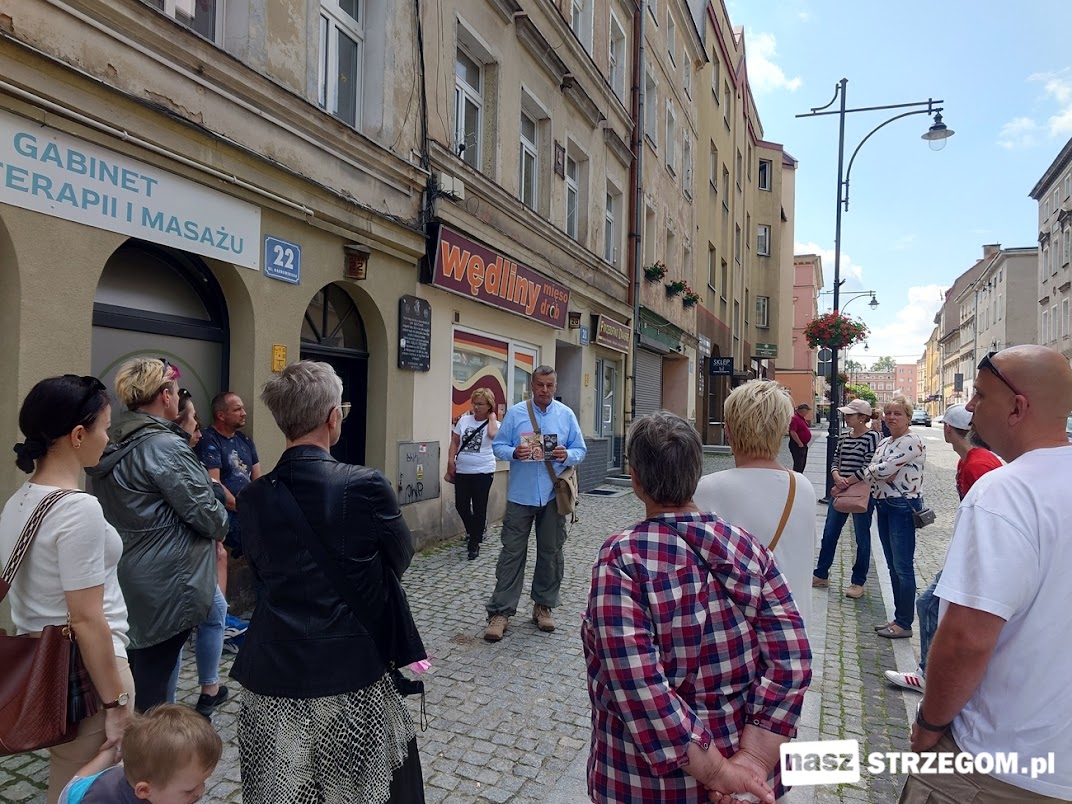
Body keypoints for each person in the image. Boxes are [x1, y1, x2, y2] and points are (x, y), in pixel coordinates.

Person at [582, 412, 811, 803]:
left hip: (646, 783)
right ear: (695, 473)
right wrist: (753, 758)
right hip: (744, 776)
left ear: (635, 479)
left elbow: (639, 686)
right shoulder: (748, 548)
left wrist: (720, 771)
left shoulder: (623, 559)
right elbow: (792, 659)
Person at [232, 361, 424, 803]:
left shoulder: (252, 497)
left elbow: (262, 573)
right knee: (361, 792)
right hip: (350, 671)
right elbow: (400, 556)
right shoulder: (364, 485)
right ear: (332, 417)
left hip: (272, 674)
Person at [901, 346, 1072, 802]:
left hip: (997, 761)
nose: (970, 408)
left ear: (1018, 407)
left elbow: (966, 638)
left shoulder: (1006, 491)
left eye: (979, 395)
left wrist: (929, 723)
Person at [0, 375, 133, 804]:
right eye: (105, 427)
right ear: (78, 435)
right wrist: (115, 705)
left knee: (70, 781)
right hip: (90, 673)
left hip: (48, 666)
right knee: (85, 791)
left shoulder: (21, 499)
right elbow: (87, 616)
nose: (107, 438)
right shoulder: (78, 508)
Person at [87, 358, 228, 712]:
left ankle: (141, 749)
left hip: (133, 577)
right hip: (168, 586)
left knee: (141, 676)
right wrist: (215, 499)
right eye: (177, 390)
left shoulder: (114, 439)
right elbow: (212, 519)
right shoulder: (165, 447)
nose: (180, 396)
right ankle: (147, 759)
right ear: (165, 396)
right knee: (152, 695)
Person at [884, 404, 1001, 693]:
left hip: (980, 553)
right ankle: (937, 672)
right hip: (970, 550)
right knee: (934, 607)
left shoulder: (978, 464)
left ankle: (931, 675)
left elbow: (993, 516)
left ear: (948, 429)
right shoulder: (967, 462)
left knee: (930, 605)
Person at [694, 380, 817, 627]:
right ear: (783, 429)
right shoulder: (802, 487)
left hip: (735, 638)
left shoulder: (708, 488)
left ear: (728, 430)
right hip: (793, 631)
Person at [484, 366, 587, 641]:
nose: (544, 390)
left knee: (551, 554)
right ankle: (501, 612)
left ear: (556, 385)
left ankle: (543, 607)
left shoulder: (566, 416)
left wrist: (568, 455)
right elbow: (498, 446)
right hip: (521, 495)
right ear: (532, 385)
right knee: (511, 555)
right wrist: (514, 452)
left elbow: (580, 449)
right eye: (540, 385)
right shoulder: (517, 413)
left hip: (553, 496)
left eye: (549, 385)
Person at [168, 389, 230, 719]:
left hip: (193, 558)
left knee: (215, 613)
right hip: (181, 562)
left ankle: (209, 689)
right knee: (176, 633)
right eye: (193, 419)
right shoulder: (175, 456)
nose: (199, 429)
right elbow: (206, 509)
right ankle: (167, 710)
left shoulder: (183, 455)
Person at [57, 703, 222, 804]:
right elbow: (73, 787)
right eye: (189, 790)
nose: (201, 791)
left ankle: (112, 751)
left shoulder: (145, 781)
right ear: (144, 791)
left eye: (203, 781)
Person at [863, 396, 925, 640]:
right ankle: (898, 618)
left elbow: (884, 469)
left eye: (897, 413)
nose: (890, 417)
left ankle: (904, 622)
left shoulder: (912, 440)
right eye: (887, 413)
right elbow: (872, 470)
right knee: (891, 565)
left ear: (908, 417)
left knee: (902, 566)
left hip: (902, 505)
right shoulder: (886, 441)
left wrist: (882, 471)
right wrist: (881, 471)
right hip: (883, 503)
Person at [812, 398, 881, 600]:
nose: (846, 417)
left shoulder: (873, 437)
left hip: (860, 492)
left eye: (850, 414)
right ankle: (821, 574)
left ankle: (858, 581)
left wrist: (847, 481)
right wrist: (836, 476)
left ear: (863, 418)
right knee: (830, 532)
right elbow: (835, 459)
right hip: (842, 490)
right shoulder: (843, 437)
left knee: (862, 538)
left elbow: (871, 465)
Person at [195, 392, 261, 582]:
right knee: (265, 542)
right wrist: (245, 508)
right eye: (237, 409)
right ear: (221, 415)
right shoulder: (208, 440)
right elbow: (214, 486)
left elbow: (257, 479)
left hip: (248, 509)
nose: (244, 413)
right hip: (227, 512)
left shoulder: (245, 441)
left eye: (243, 408)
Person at [446, 388, 499, 560]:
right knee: (461, 505)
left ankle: (474, 543)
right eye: (474, 403)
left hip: (483, 471)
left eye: (481, 404)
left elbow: (492, 434)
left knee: (479, 507)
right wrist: (450, 460)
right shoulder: (464, 420)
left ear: (489, 405)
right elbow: (454, 442)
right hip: (463, 470)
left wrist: (492, 417)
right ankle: (475, 531)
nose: (476, 407)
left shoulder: (495, 424)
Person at [788, 403, 812, 472]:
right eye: (806, 412)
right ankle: (797, 478)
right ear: (803, 410)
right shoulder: (795, 418)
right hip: (797, 445)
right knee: (799, 464)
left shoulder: (801, 418)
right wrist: (799, 443)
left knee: (802, 463)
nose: (806, 414)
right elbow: (792, 432)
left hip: (803, 444)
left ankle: (799, 476)